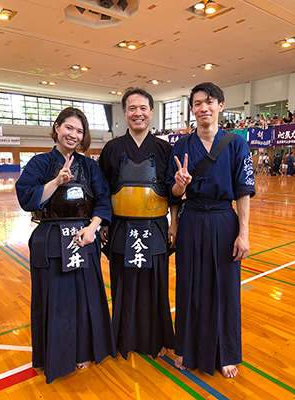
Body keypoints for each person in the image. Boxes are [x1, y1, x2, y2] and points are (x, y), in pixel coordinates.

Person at [15, 107, 116, 384]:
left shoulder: (89, 166)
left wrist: (93, 228)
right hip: (49, 237)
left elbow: (104, 200)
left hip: (84, 235)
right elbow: (27, 198)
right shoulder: (39, 163)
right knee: (56, 299)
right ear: (57, 127)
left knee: (85, 298)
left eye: (80, 131)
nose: (73, 135)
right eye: (69, 128)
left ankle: (83, 349)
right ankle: (56, 355)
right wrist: (57, 180)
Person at [166, 82, 255, 379]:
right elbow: (174, 194)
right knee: (189, 285)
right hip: (191, 218)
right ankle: (186, 348)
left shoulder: (236, 143)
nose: (203, 107)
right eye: (197, 103)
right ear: (192, 110)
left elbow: (243, 191)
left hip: (223, 220)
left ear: (220, 106)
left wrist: (243, 233)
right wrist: (179, 191)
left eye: (209, 102)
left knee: (225, 288)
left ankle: (226, 352)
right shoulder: (180, 145)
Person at [99, 87, 176, 360]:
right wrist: (105, 223)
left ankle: (156, 339)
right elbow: (103, 190)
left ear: (151, 112)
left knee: (156, 284)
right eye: (132, 108)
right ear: (124, 113)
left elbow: (174, 192)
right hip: (121, 228)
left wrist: (174, 224)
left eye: (143, 108)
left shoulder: (166, 149)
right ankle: (122, 338)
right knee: (123, 282)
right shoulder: (111, 148)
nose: (138, 113)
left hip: (155, 227)